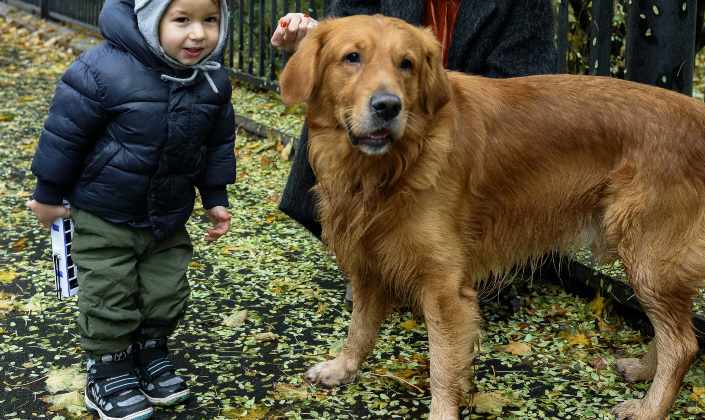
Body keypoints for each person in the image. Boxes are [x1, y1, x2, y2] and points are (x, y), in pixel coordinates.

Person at [272, 0, 557, 307]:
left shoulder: (528, 6)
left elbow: (515, 103)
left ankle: (448, 259)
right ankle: (372, 259)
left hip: (457, 134)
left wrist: (425, 85)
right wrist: (319, 38)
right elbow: (345, 25)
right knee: (345, 106)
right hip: (382, 125)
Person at [26, 0, 236, 417]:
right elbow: (65, 134)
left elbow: (215, 145)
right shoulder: (102, 70)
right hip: (104, 210)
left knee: (166, 290)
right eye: (182, 20)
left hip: (168, 215)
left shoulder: (212, 80)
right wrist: (48, 194)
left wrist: (215, 198)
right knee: (109, 291)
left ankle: (149, 349)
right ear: (149, 18)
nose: (198, 34)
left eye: (210, 20)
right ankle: (107, 367)